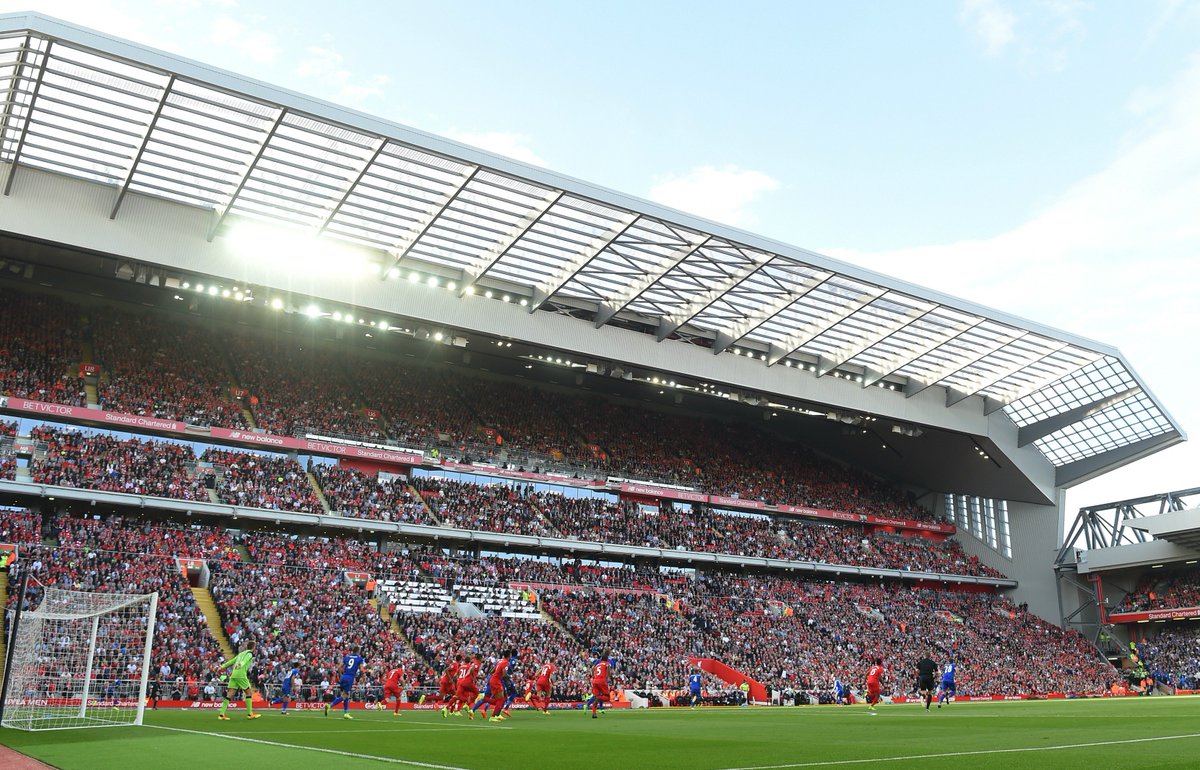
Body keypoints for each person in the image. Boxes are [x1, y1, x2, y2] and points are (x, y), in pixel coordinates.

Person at [216, 640, 261, 721]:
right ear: (253, 647)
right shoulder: (249, 654)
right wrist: (241, 664)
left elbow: (232, 661)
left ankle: (221, 714)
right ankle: (250, 714)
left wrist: (222, 666)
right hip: (241, 675)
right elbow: (245, 660)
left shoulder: (241, 654)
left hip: (234, 674)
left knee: (230, 694)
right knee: (249, 693)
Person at [325, 645, 365, 720]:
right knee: (344, 696)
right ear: (358, 651)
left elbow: (339, 667)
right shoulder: (359, 658)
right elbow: (362, 670)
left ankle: (346, 713)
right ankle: (330, 705)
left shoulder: (347, 657)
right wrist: (361, 677)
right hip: (349, 678)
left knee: (345, 695)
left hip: (343, 677)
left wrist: (341, 676)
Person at [586, 650, 615, 719]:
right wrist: (608, 676)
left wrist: (593, 676)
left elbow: (592, 668)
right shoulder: (607, 663)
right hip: (602, 681)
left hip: (595, 681)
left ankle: (594, 714)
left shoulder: (598, 664)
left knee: (595, 696)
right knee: (607, 697)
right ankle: (598, 698)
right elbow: (609, 670)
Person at [455, 654, 483, 720]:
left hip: (462, 681)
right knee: (476, 693)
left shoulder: (467, 665)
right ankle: (466, 705)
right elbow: (472, 670)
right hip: (468, 682)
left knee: (458, 696)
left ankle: (457, 709)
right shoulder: (476, 664)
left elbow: (456, 675)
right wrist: (474, 678)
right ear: (480, 658)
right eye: (482, 658)